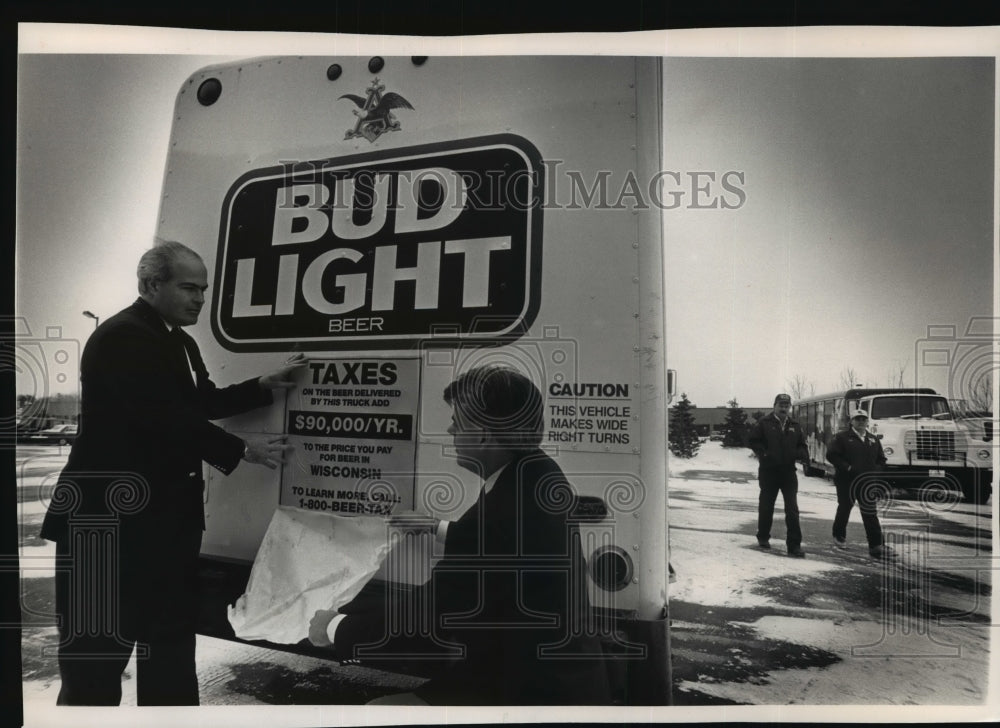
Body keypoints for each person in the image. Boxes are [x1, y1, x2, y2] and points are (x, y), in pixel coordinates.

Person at [40, 240, 306, 706]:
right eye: (188, 288)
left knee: (169, 654)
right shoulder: (123, 336)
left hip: (162, 530)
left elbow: (197, 402)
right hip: (104, 530)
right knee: (94, 665)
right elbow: (159, 416)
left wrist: (260, 388)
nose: (200, 299)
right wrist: (241, 448)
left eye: (203, 289)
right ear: (150, 285)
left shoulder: (178, 340)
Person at [308, 365, 612, 705]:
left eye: (458, 421)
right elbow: (498, 553)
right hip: (548, 674)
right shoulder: (535, 473)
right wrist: (436, 527)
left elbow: (429, 615)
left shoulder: (507, 509)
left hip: (529, 692)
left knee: (374, 713)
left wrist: (336, 628)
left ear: (482, 433)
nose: (451, 429)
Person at [747, 393, 809, 557]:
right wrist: (764, 454)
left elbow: (802, 445)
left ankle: (794, 545)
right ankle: (763, 536)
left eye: (786, 406)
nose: (783, 408)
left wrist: (799, 454)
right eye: (780, 405)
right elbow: (753, 440)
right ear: (774, 406)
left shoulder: (795, 425)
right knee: (767, 506)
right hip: (769, 471)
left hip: (788, 472)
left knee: (792, 509)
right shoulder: (764, 423)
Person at [826, 410, 893, 558]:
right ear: (852, 421)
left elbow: (881, 460)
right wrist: (847, 467)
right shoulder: (842, 437)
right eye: (858, 419)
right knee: (844, 508)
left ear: (867, 421)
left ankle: (876, 545)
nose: (861, 422)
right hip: (846, 481)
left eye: (863, 419)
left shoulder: (873, 439)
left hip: (867, 482)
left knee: (870, 512)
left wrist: (876, 471)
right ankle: (839, 536)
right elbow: (831, 455)